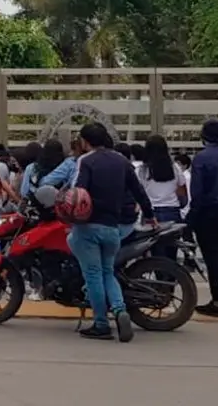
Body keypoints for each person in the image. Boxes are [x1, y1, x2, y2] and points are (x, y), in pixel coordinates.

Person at [71, 122, 153, 341]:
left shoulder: (86, 162)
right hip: (112, 228)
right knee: (108, 272)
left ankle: (101, 323)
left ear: (85, 142)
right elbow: (138, 191)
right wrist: (150, 215)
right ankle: (119, 310)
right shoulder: (122, 161)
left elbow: (79, 193)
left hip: (89, 227)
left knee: (94, 275)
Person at [188, 119, 218, 317]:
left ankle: (217, 300)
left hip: (207, 213)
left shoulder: (201, 158)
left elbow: (197, 192)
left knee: (212, 257)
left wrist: (192, 216)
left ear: (203, 135)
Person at [136, 135, 187, 261]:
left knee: (156, 255)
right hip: (172, 213)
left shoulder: (142, 170)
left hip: (151, 215)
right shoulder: (175, 168)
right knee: (171, 253)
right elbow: (182, 192)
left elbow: (138, 194)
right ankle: (172, 278)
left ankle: (161, 278)